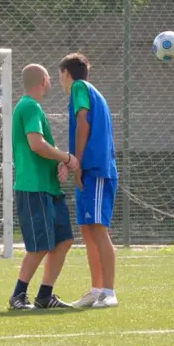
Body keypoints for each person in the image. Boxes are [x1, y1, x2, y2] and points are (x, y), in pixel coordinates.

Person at [9, 64, 78, 309]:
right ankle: (18, 295)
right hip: (33, 186)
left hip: (48, 187)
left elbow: (43, 147)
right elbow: (36, 144)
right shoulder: (28, 106)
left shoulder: (34, 107)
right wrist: (67, 158)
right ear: (43, 81)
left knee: (64, 240)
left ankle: (45, 295)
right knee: (39, 246)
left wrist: (60, 162)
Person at [58, 53, 119, 308]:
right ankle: (96, 290)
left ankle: (109, 292)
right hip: (87, 168)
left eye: (60, 75)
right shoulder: (89, 92)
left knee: (98, 229)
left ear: (66, 74)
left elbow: (83, 124)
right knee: (87, 229)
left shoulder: (80, 88)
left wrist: (78, 161)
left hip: (95, 168)